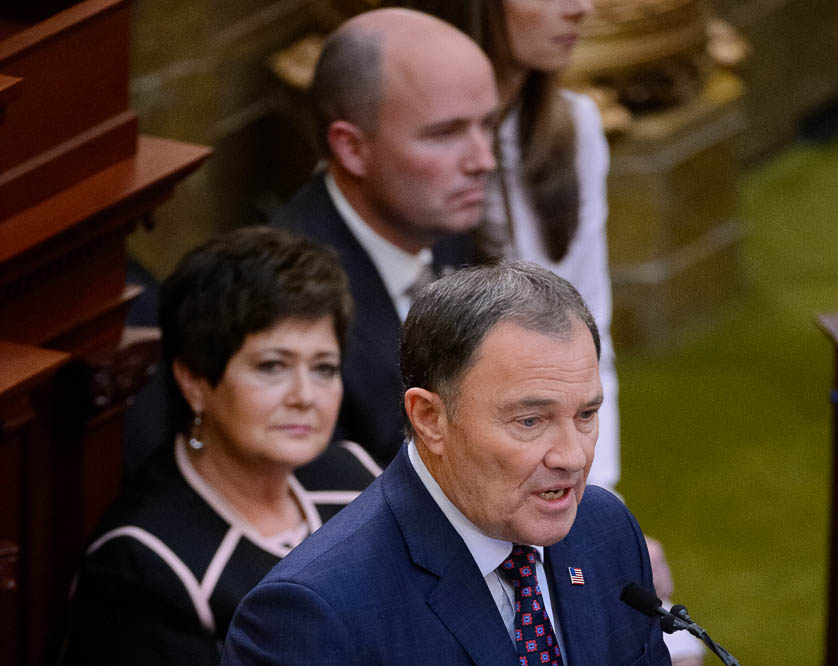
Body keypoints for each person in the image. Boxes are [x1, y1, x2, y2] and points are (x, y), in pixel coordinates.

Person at [223, 262, 672, 664]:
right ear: (430, 419)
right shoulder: (312, 616)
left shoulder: (606, 531)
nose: (572, 455)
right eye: (531, 420)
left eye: (586, 415)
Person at [60, 227, 381, 665]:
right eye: (272, 366)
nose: (305, 395)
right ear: (194, 380)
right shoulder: (141, 563)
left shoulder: (357, 480)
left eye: (324, 368)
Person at [395, 0, 621, 493]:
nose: (581, 8)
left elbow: (588, 338)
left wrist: (590, 492)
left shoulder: (574, 126)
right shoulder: (408, 166)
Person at [272, 7, 499, 468]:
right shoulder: (285, 300)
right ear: (352, 148)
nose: (483, 160)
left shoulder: (444, 226)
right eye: (445, 134)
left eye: (487, 125)